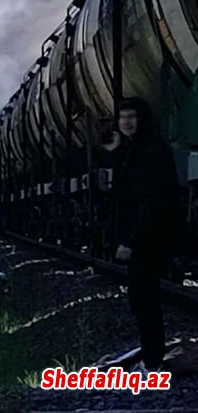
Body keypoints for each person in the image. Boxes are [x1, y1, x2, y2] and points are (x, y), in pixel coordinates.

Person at [103, 97, 184, 374]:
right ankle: (153, 358)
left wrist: (129, 241)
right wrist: (115, 154)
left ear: (143, 120)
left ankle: (153, 362)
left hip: (149, 237)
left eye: (131, 117)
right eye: (122, 117)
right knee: (142, 299)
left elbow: (146, 201)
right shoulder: (138, 149)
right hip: (148, 234)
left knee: (144, 299)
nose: (126, 122)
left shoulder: (149, 152)